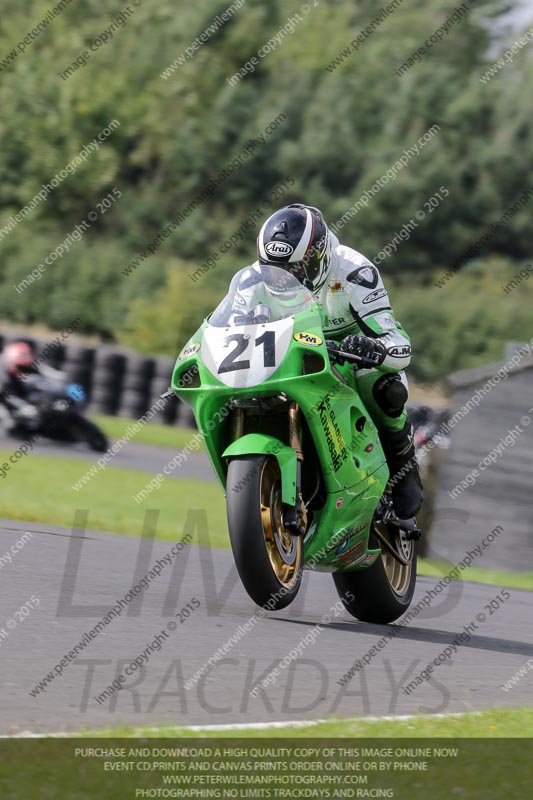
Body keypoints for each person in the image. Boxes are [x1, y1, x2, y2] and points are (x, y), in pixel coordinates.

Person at [256, 203, 422, 519]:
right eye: (274, 270)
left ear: (318, 256)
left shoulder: (354, 272)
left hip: (349, 356)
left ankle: (404, 463)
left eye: (293, 270)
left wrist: (373, 349)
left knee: (383, 388)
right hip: (293, 357)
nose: (281, 280)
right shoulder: (262, 277)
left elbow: (397, 343)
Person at [0, 341, 42, 433]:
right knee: (9, 424)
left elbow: (40, 372)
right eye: (20, 367)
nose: (23, 371)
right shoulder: (2, 373)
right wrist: (23, 406)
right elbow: (6, 395)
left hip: (9, 398)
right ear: (10, 361)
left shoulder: (15, 370)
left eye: (25, 368)